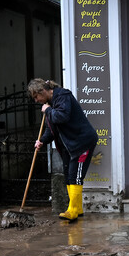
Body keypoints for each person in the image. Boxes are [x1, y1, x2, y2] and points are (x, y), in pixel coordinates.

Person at [28, 79, 98, 222]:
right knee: (68, 175)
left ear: (43, 91)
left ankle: (72, 210)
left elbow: (61, 116)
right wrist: (42, 141)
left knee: (75, 176)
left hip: (82, 142)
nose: (36, 100)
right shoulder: (50, 105)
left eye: (36, 97)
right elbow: (51, 129)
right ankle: (77, 208)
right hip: (68, 145)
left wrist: (47, 110)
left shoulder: (62, 96)